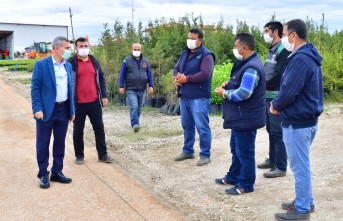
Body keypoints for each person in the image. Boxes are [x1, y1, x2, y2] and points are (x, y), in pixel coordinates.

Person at [272, 19, 323, 221]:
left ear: (293, 35)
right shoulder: (307, 56)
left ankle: (302, 210)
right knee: (302, 165)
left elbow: (288, 91)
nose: (283, 38)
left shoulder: (300, 59)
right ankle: (305, 200)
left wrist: (275, 105)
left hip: (298, 123)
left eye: (284, 34)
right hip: (306, 120)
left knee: (300, 167)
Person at [214, 33, 265, 195]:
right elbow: (241, 84)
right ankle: (234, 176)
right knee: (236, 148)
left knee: (245, 151)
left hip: (246, 118)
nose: (234, 50)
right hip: (240, 117)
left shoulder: (251, 67)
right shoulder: (245, 64)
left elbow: (244, 93)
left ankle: (246, 184)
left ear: (244, 47)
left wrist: (225, 93)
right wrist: (230, 84)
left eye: (236, 47)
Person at [31, 36, 75, 189]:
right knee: (43, 143)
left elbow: (70, 89)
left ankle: (57, 171)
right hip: (46, 111)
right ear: (57, 48)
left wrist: (72, 109)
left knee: (60, 142)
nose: (70, 51)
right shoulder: (41, 65)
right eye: (67, 48)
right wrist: (37, 109)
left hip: (63, 109)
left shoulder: (67, 66)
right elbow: (35, 88)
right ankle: (43, 173)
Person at [67, 37, 113, 165]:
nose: (83, 48)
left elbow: (102, 78)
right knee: (78, 130)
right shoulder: (71, 62)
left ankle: (103, 154)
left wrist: (104, 95)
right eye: (81, 46)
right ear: (76, 48)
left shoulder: (94, 61)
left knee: (99, 128)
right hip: (78, 104)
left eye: (85, 46)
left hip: (94, 102)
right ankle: (79, 155)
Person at [173, 28, 215, 166]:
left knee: (202, 126)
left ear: (200, 40)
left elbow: (205, 74)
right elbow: (177, 68)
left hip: (199, 97)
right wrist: (177, 77)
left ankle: (205, 154)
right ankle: (188, 150)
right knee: (187, 125)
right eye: (189, 37)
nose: (190, 40)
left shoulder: (206, 55)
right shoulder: (185, 53)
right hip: (185, 95)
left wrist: (187, 79)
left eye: (193, 38)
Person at [257, 22, 291, 178]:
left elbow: (279, 75)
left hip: (276, 97)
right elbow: (267, 71)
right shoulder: (272, 50)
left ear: (275, 32)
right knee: (271, 130)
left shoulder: (283, 49)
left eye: (266, 31)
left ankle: (281, 166)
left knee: (278, 132)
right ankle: (272, 159)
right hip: (267, 95)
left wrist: (260, 84)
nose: (264, 34)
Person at [118, 43, 154, 132]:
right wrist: (121, 86)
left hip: (142, 89)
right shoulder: (126, 61)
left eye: (138, 49)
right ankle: (135, 124)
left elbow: (149, 74)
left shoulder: (145, 61)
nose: (136, 51)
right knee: (134, 106)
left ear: (141, 51)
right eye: (135, 49)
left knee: (139, 108)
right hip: (131, 89)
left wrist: (151, 85)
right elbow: (122, 74)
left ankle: (135, 121)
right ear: (131, 50)